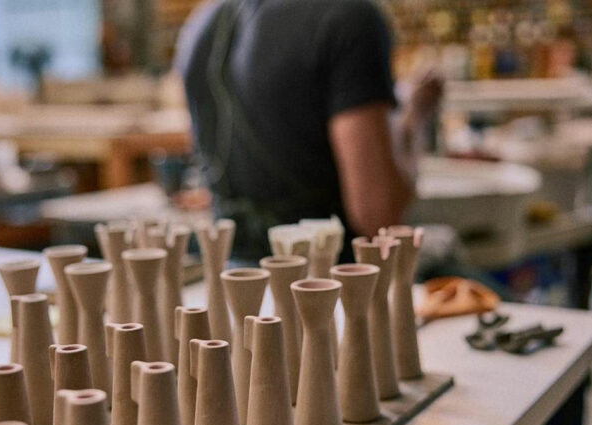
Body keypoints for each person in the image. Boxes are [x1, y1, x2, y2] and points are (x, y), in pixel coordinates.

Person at [174, 0, 442, 261]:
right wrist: (416, 117)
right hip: (327, 283)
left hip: (230, 276)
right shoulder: (349, 18)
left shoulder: (202, 24)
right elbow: (378, 216)